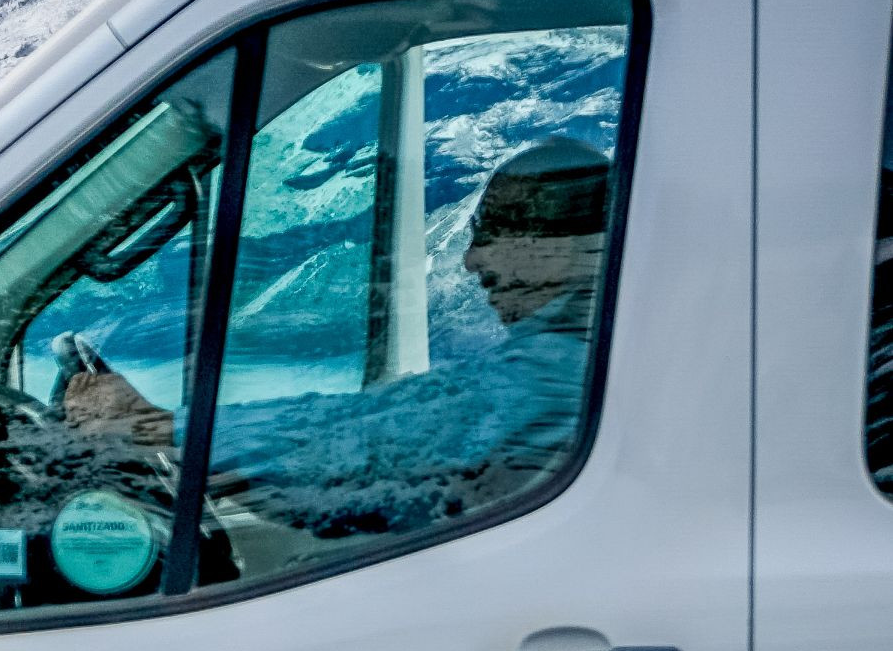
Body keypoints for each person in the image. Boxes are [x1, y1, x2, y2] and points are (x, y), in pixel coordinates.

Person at [61, 139, 615, 538]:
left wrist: (158, 427)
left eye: (498, 233)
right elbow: (395, 417)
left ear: (575, 245)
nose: (472, 261)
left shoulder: (562, 370)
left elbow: (375, 438)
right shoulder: (585, 351)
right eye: (477, 235)